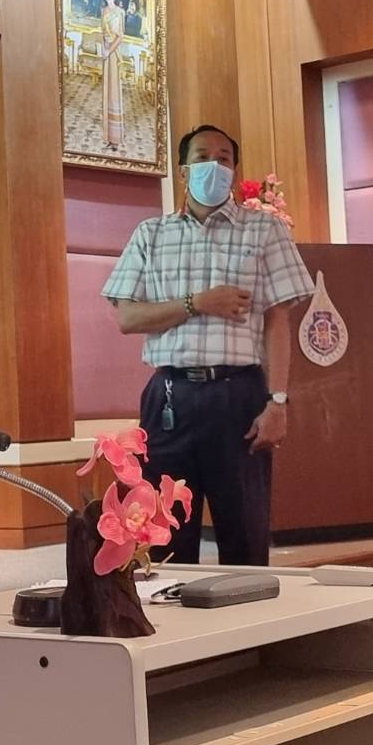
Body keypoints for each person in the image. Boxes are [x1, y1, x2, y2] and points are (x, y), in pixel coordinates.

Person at [102, 125, 313, 565]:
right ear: (183, 170)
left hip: (238, 396)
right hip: (168, 397)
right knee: (166, 533)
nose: (213, 166)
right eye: (202, 157)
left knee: (245, 532)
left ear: (234, 171)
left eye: (223, 158)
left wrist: (278, 402)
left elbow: (278, 321)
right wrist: (197, 303)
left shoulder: (265, 230)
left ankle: (248, 611)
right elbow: (127, 318)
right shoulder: (151, 234)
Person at [99, 0, 126, 147]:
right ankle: (108, 135)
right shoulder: (103, 11)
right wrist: (104, 49)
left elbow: (121, 36)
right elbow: (103, 33)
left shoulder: (120, 12)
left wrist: (109, 51)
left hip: (114, 54)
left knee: (115, 91)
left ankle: (116, 137)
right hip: (106, 54)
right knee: (107, 91)